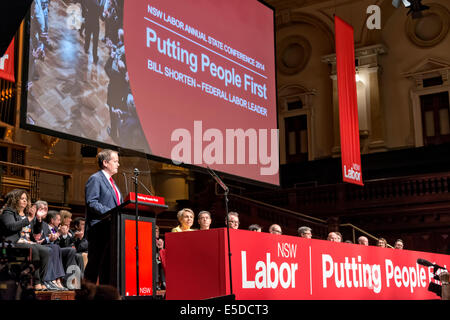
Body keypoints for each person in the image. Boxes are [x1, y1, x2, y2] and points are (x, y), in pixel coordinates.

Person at [85, 149, 122, 285]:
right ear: (105, 163)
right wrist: (111, 212)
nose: (118, 164)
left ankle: (105, 294)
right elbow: (92, 202)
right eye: (116, 161)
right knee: (94, 266)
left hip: (111, 229)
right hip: (99, 229)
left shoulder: (113, 183)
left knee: (108, 267)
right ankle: (86, 295)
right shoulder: (96, 179)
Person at [0, 189, 49, 291]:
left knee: (46, 251)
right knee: (33, 249)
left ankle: (43, 280)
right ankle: (36, 282)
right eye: (22, 198)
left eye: (26, 199)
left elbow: (35, 233)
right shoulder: (8, 212)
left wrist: (39, 220)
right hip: (13, 243)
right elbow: (11, 227)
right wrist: (29, 219)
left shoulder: (28, 214)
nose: (25, 201)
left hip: (28, 242)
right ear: (15, 199)